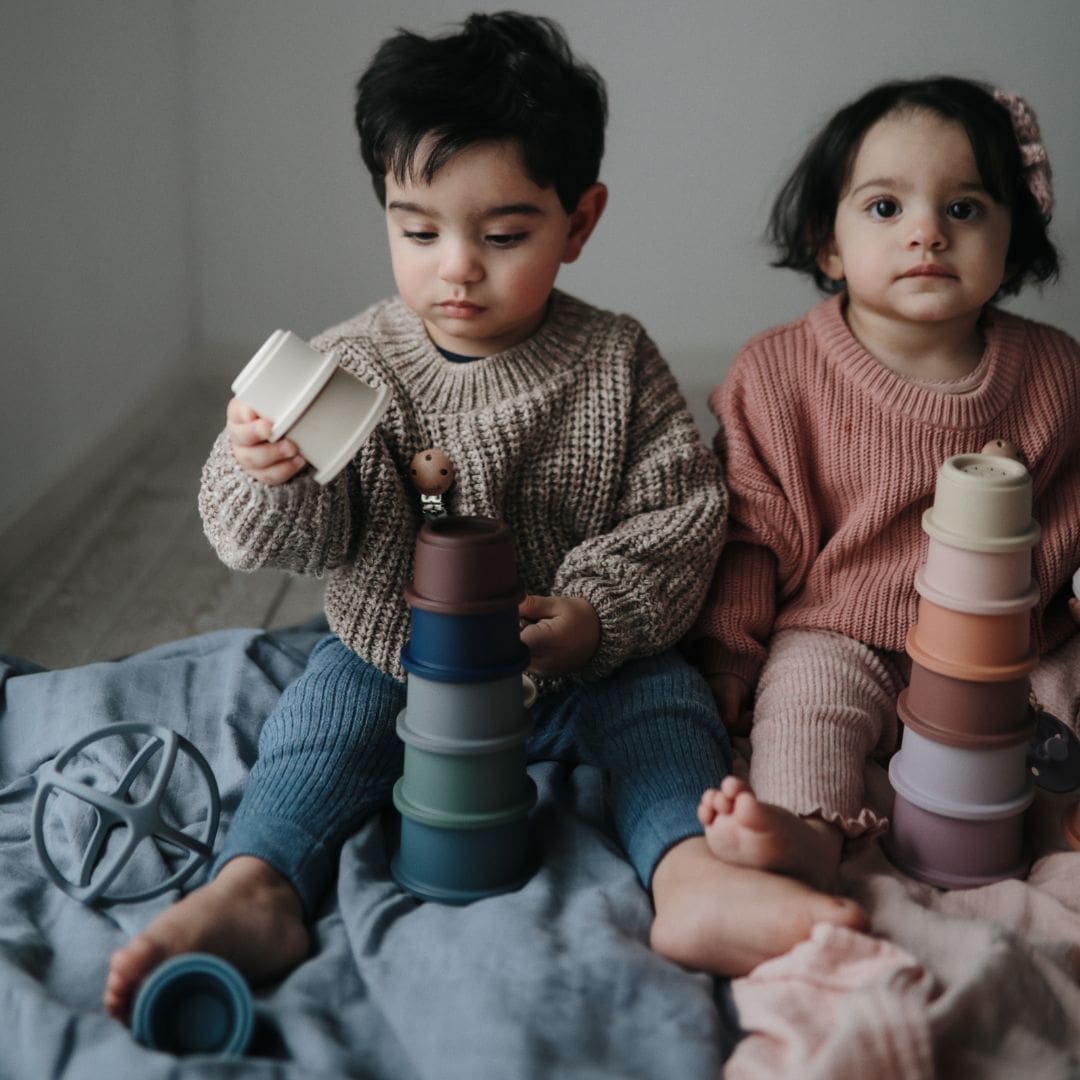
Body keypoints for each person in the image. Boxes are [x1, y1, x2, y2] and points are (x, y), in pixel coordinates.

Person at [105, 11, 756, 1020]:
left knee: (670, 711)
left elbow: (680, 511)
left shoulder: (616, 360)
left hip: (574, 663)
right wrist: (270, 473)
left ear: (579, 221)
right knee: (319, 723)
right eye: (418, 231)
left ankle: (690, 875)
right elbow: (287, 541)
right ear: (386, 215)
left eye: (503, 236)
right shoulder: (355, 366)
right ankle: (260, 886)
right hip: (398, 659)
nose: (456, 267)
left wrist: (595, 615)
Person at [685, 74, 1080, 971]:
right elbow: (750, 533)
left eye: (967, 207)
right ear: (828, 242)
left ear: (1012, 238)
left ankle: (1049, 831)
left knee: (1061, 705)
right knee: (806, 710)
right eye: (886, 205)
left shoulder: (1056, 374)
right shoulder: (778, 376)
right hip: (845, 625)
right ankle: (809, 832)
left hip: (1013, 635)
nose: (927, 231)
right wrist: (726, 657)